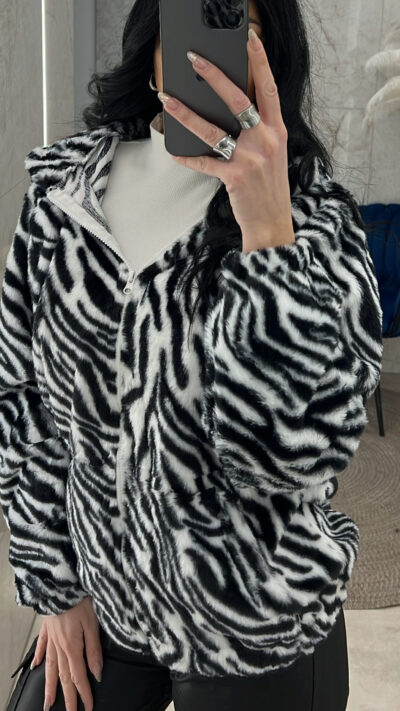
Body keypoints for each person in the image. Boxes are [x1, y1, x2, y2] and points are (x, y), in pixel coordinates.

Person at [0, 1, 383, 710]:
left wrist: (268, 232)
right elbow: (22, 403)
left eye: (235, 29)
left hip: (253, 615)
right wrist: (53, 585)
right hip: (105, 604)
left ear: (271, 62)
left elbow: (294, 461)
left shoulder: (317, 222)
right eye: (188, 26)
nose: (207, 56)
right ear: (153, 50)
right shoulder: (62, 201)